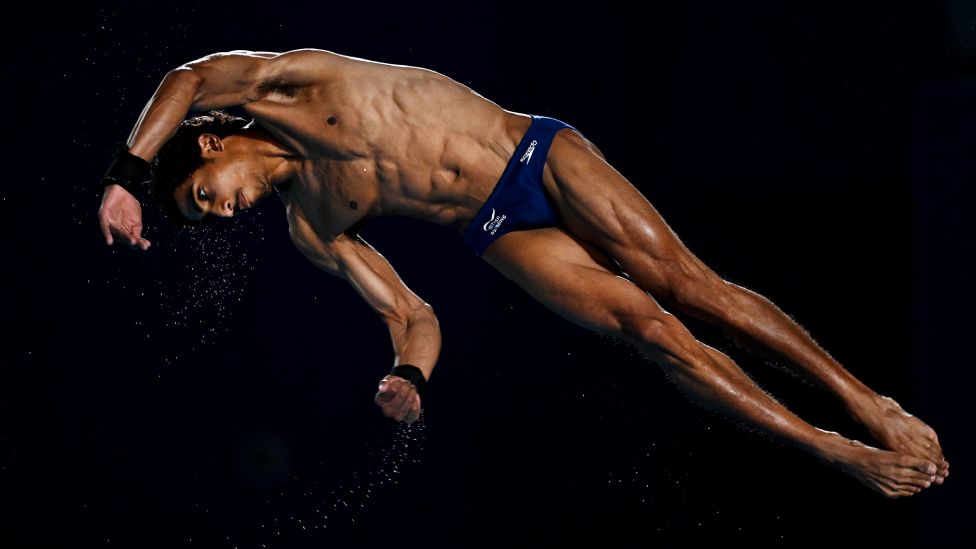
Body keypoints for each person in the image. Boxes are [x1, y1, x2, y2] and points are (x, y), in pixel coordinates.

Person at [97, 48, 948, 498]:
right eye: (209, 216)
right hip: (496, 225)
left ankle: (863, 400)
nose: (223, 212)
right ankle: (833, 450)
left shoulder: (284, 85)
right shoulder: (312, 226)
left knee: (691, 288)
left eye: (207, 196)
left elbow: (190, 74)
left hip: (533, 154)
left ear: (212, 143)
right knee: (652, 335)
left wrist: (126, 174)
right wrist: (408, 374)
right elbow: (412, 313)